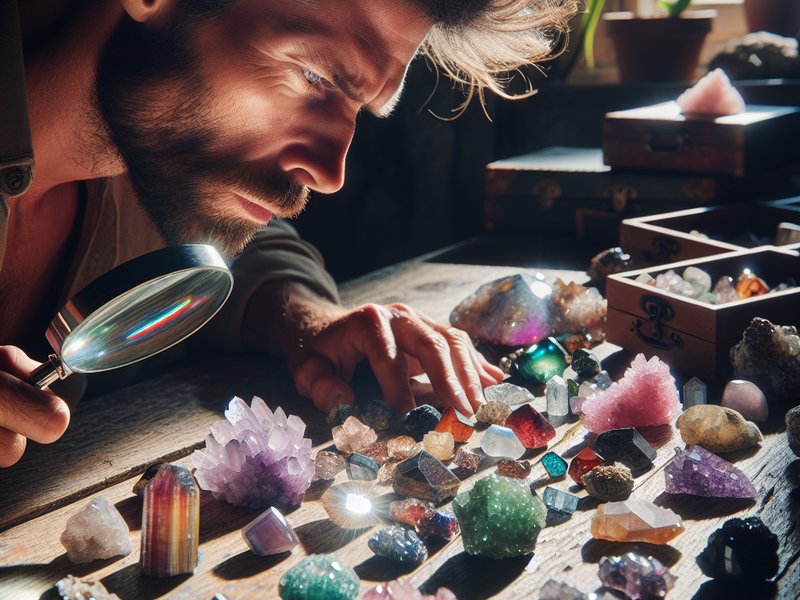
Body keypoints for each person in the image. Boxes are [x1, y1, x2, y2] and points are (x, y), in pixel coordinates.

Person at [0, 0, 577, 467]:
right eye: (315, 76)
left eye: (360, 110)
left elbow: (233, 253)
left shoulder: (161, 165)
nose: (331, 176)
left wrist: (304, 321)